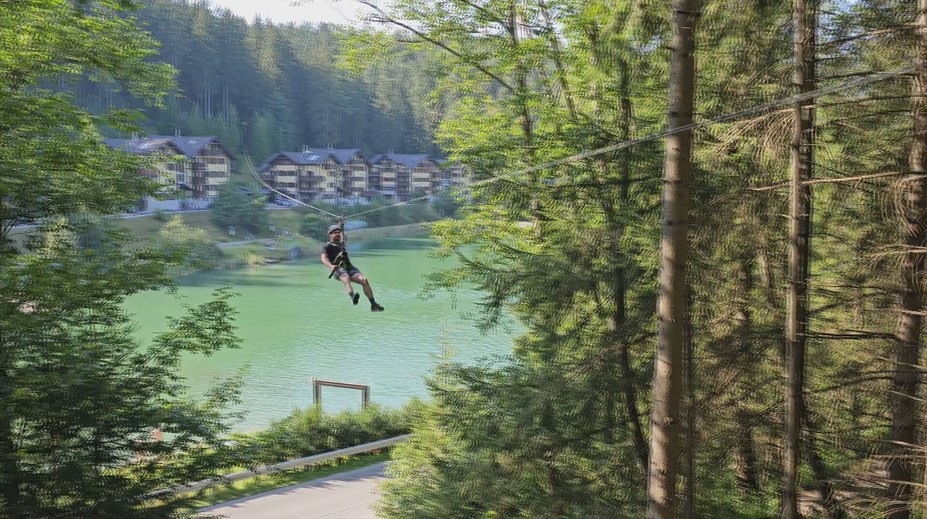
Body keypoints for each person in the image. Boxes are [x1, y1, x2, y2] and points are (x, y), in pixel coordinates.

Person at [321, 224, 385, 311]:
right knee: (346, 278)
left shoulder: (341, 243)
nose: (337, 234)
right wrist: (331, 266)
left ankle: (373, 305)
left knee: (364, 280)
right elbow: (323, 258)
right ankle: (353, 297)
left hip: (350, 268)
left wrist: (341, 224)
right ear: (330, 235)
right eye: (335, 233)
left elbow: (342, 234)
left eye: (338, 233)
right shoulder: (328, 245)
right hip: (339, 269)